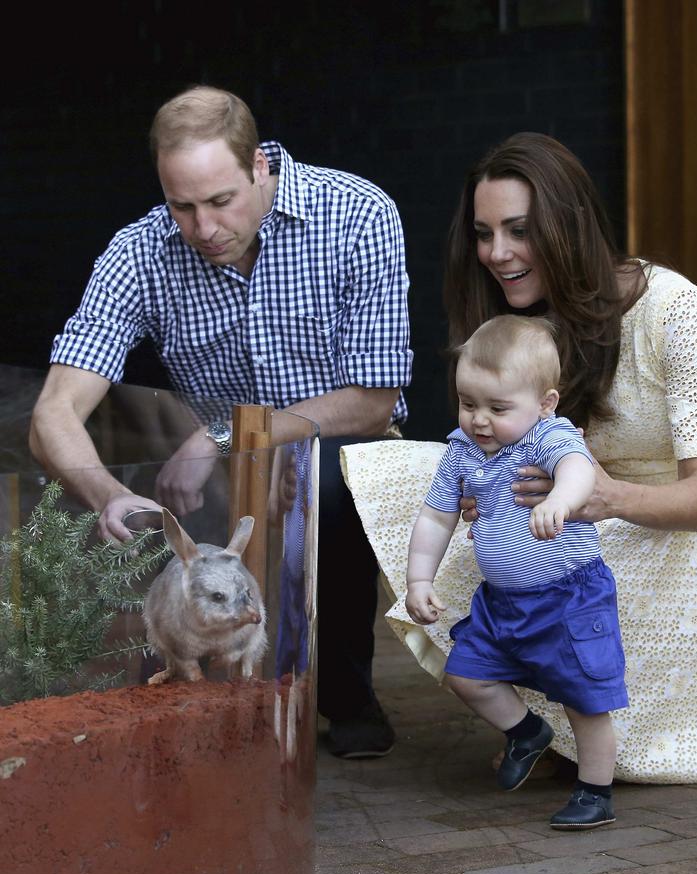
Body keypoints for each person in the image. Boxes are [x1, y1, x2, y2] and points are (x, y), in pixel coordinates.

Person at [339, 131, 697, 784]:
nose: (497, 253)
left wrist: (606, 499)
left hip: (688, 534)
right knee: (397, 481)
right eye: (484, 234)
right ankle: (533, 727)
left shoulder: (677, 312)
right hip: (579, 514)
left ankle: (580, 735)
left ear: (568, 226)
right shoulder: (519, 326)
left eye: (518, 230)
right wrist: (487, 490)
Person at [28, 85, 413, 759]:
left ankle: (342, 692)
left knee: (319, 487)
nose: (203, 228)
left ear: (260, 166)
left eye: (221, 201)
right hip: (216, 477)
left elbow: (375, 400)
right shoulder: (139, 253)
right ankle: (191, 696)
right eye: (183, 206)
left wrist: (221, 434)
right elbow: (53, 415)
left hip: (339, 445)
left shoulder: (357, 212)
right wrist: (110, 496)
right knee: (166, 528)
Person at [406, 314, 626, 828]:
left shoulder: (546, 437)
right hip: (502, 601)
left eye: (497, 408)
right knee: (465, 673)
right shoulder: (461, 451)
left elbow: (577, 469)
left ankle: (595, 792)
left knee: (585, 699)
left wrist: (562, 503)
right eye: (468, 404)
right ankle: (526, 732)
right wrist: (420, 579)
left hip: (569, 596)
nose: (480, 420)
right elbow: (437, 516)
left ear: (544, 403)